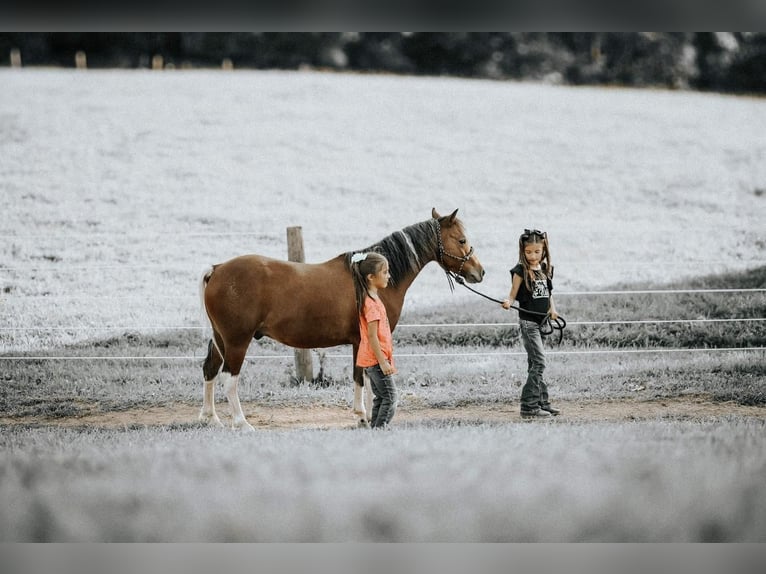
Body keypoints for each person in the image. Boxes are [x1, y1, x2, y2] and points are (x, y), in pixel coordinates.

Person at [502, 229, 560, 419]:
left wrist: (553, 309)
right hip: (529, 323)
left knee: (535, 363)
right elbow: (512, 293)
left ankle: (542, 402)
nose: (533, 256)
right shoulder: (520, 271)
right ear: (523, 251)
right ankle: (528, 406)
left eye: (537, 252)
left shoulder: (545, 269)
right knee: (540, 361)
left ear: (544, 250)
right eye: (529, 252)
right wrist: (509, 302)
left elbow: (549, 294)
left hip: (542, 322)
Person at [351, 251, 398, 428]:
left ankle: (376, 431)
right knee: (391, 397)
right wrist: (383, 362)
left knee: (381, 397)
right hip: (376, 360)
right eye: (385, 272)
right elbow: (372, 337)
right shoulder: (371, 305)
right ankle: (380, 431)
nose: (389, 276)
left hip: (371, 359)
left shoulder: (371, 299)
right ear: (371, 277)